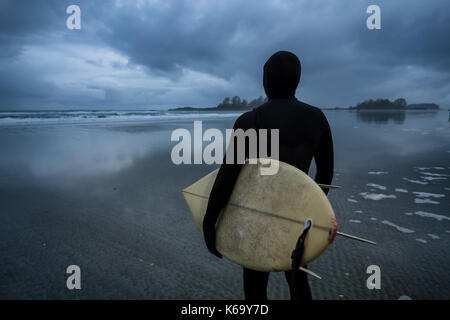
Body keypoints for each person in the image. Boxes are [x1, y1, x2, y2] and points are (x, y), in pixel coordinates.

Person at [202, 50, 334, 300]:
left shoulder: (250, 120)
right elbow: (325, 174)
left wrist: (210, 222)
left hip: (258, 215)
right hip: (298, 216)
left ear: (265, 80)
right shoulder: (317, 118)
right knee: (298, 282)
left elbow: (228, 175)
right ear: (297, 79)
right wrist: (314, 213)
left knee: (254, 287)